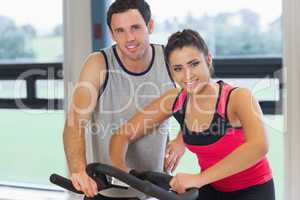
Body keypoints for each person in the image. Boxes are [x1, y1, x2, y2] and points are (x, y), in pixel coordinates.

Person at [110, 29, 275, 200]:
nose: (187, 75)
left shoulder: (237, 98)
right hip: (211, 189)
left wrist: (198, 179)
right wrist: (121, 169)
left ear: (208, 60)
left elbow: (259, 146)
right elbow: (123, 134)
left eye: (194, 64)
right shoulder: (175, 99)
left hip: (253, 190)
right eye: (178, 68)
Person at [63, 0, 177, 198]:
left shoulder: (170, 59)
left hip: (153, 190)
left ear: (150, 26)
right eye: (120, 31)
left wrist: (182, 140)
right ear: (111, 33)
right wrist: (78, 170)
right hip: (108, 191)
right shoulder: (98, 64)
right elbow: (75, 123)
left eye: (135, 28)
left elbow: (201, 100)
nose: (129, 38)